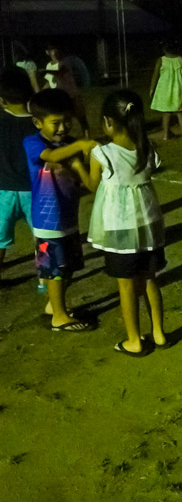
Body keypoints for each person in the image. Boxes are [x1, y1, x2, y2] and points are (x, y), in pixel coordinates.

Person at [82, 91, 167, 355]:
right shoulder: (148, 147)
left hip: (119, 227)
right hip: (148, 223)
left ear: (108, 121)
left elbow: (91, 185)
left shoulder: (102, 153)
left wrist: (77, 166)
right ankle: (159, 333)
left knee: (126, 285)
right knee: (150, 279)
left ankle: (134, 340)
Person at [23, 89, 98, 331]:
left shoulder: (70, 146)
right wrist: (80, 144)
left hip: (68, 218)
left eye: (67, 121)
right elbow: (52, 156)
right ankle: (59, 317)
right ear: (37, 122)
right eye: (56, 123)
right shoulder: (33, 142)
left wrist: (91, 159)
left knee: (69, 268)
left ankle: (54, 307)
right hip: (47, 220)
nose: (63, 127)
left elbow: (90, 184)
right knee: (55, 270)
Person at [0, 68, 37, 283]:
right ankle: (45, 280)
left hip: (3, 191)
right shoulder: (39, 124)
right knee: (41, 237)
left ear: (2, 99)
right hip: (35, 190)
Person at [43, 44, 90, 137]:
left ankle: (88, 139)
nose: (55, 53)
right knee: (62, 121)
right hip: (60, 98)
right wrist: (41, 91)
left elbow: (60, 73)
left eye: (57, 51)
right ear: (47, 52)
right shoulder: (49, 65)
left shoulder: (67, 61)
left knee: (82, 119)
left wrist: (45, 71)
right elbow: (49, 82)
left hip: (73, 96)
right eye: (53, 51)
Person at [149, 40, 182, 141]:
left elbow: (155, 75)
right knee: (180, 112)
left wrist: (151, 89)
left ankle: (166, 135)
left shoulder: (161, 60)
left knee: (166, 113)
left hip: (164, 90)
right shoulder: (181, 59)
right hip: (179, 89)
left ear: (164, 49)